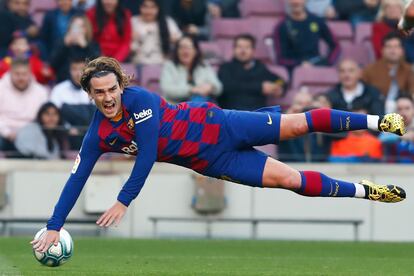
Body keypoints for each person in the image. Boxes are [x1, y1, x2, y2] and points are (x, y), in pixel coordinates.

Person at [31, 56, 406, 252]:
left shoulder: (140, 100)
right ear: (90, 95)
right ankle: (366, 191)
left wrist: (123, 200)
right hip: (214, 161)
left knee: (296, 124)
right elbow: (77, 177)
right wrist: (53, 224)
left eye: (112, 88)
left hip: (219, 124)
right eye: (99, 93)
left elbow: (146, 155)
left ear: (120, 84)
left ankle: (379, 120)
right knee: (289, 181)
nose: (108, 97)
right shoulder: (98, 135)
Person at [218, 34, 286, 111]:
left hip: (258, 113)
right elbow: (227, 86)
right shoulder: (226, 67)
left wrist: (279, 87)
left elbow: (280, 80)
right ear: (234, 49)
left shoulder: (259, 67)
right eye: (239, 47)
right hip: (234, 113)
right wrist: (259, 87)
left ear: (253, 50)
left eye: (247, 47)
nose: (243, 51)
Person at [273, 0, 340, 71]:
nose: (296, 2)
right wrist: (299, 64)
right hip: (294, 72)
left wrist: (326, 63)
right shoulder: (281, 26)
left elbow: (336, 46)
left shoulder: (317, 21)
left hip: (317, 69)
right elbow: (280, 59)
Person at [0, 58, 48, 155]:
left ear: (30, 73)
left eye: (24, 74)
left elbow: (43, 119)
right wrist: (7, 132)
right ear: (10, 73)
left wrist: (25, 134)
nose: (21, 78)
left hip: (32, 135)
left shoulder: (41, 92)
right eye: (17, 74)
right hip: (3, 134)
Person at [160, 35, 222, 103]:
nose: (185, 51)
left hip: (202, 104)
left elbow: (218, 87)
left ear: (195, 51)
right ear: (177, 51)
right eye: (181, 47)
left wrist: (211, 87)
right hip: (176, 107)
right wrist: (192, 90)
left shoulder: (203, 65)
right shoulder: (170, 66)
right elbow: (168, 90)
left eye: (189, 47)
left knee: (202, 101)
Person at [362, 32, 414, 113]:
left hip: (402, 112)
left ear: (402, 50)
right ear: (382, 50)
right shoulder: (370, 70)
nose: (393, 50)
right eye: (389, 47)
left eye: (396, 47)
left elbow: (412, 92)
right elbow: (362, 93)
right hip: (376, 112)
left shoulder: (409, 70)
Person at [50, 57, 95, 149]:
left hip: (92, 134)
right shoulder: (59, 89)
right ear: (69, 71)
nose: (78, 73)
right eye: (74, 69)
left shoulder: (95, 89)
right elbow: (53, 115)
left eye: (82, 70)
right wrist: (67, 128)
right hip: (66, 136)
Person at [50, 14, 100, 82]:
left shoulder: (92, 44)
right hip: (65, 82)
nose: (77, 30)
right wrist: (64, 45)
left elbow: (97, 66)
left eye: (81, 27)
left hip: (87, 82)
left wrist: (85, 46)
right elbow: (53, 64)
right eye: (75, 26)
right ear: (70, 28)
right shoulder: (62, 42)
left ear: (86, 29)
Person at [130, 0, 182, 65]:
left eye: (153, 7)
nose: (148, 11)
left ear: (158, 8)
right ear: (140, 7)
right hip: (137, 64)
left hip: (162, 64)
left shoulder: (167, 22)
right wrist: (130, 38)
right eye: (145, 7)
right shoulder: (133, 21)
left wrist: (174, 39)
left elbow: (180, 38)